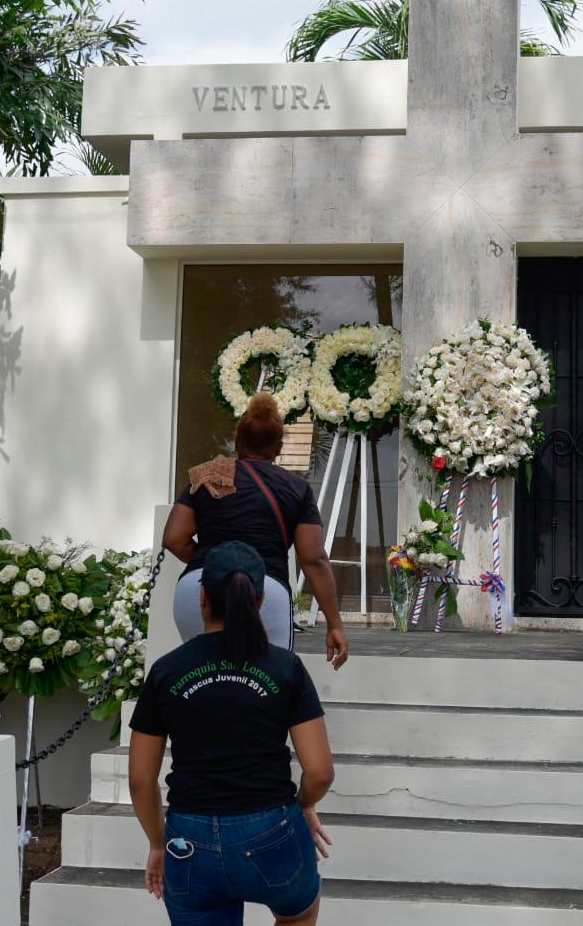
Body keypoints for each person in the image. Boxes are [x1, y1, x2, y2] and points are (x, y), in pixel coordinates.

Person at [129, 541, 336, 925]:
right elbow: (320, 771)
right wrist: (305, 804)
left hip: (188, 840)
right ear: (259, 602)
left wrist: (158, 843)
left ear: (203, 598)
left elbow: (141, 781)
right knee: (299, 913)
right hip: (270, 828)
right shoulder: (285, 667)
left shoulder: (167, 671)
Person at [164, 393, 348, 668]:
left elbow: (174, 538)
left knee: (202, 679)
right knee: (267, 685)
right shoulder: (297, 488)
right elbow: (313, 558)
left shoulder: (209, 475)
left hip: (199, 588)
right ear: (278, 448)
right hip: (264, 591)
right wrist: (334, 624)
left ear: (238, 442)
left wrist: (217, 565)